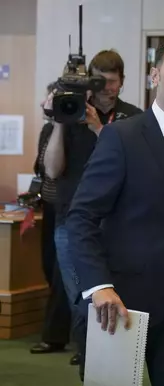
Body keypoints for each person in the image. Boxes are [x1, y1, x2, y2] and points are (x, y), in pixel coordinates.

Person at [65, 36, 164, 386]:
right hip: (122, 304)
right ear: (155, 76)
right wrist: (99, 286)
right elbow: (81, 218)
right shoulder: (121, 137)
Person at [42, 49, 142, 386]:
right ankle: (93, 381)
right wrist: (59, 123)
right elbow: (53, 170)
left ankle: (116, 380)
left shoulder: (133, 120)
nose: (104, 90)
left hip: (119, 228)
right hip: (71, 226)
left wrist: (100, 128)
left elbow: (138, 170)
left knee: (119, 305)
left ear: (122, 82)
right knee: (86, 309)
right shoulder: (68, 114)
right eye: (98, 82)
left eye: (111, 83)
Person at [30, 82, 72, 357]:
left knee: (62, 272)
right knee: (49, 266)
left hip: (69, 206)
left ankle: (55, 335)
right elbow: (42, 168)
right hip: (49, 204)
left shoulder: (71, 128)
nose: (47, 102)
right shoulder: (47, 128)